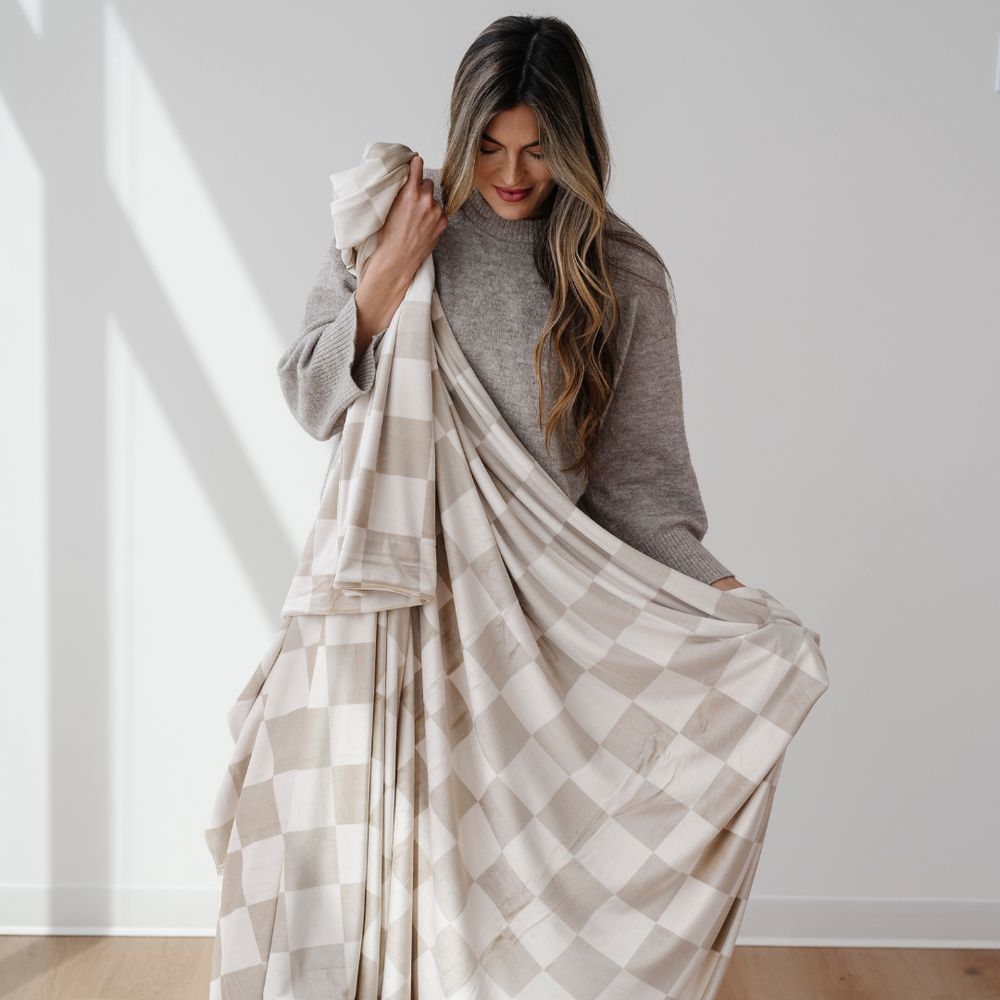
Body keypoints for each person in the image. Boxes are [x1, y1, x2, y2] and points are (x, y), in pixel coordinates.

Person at [278, 14, 745, 594]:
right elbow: (310, 400)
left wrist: (729, 599)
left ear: (575, 145)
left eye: (539, 150)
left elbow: (641, 495)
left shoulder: (621, 274)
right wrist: (393, 267)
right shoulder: (396, 214)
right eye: (489, 147)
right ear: (462, 132)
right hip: (388, 591)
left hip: (540, 604)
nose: (512, 173)